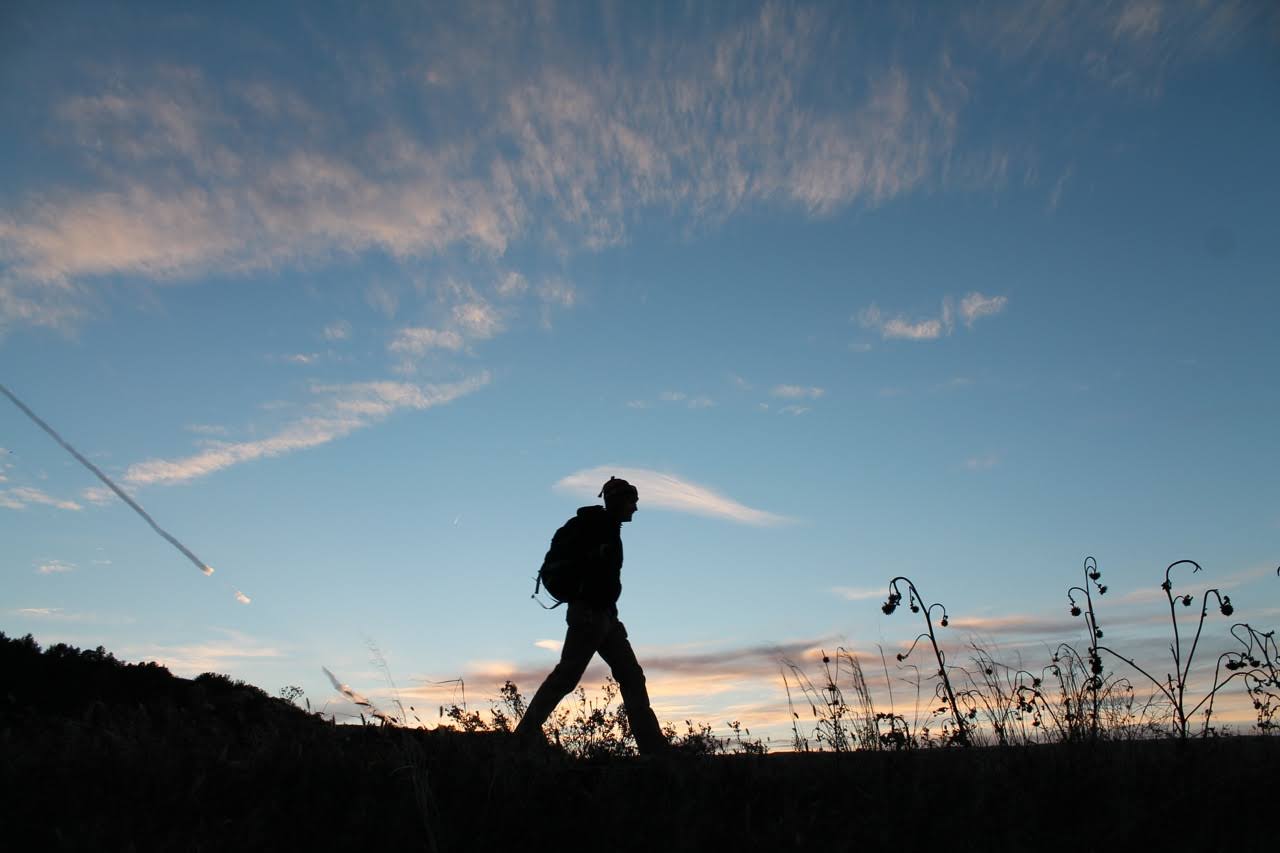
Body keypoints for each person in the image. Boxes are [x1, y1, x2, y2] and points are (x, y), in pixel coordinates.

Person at [515, 476, 667, 754]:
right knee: (568, 676)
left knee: (631, 676)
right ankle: (522, 736)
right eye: (632, 501)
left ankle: (655, 749)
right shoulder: (599, 527)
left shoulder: (606, 528)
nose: (635, 508)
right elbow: (596, 573)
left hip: (605, 617)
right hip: (590, 615)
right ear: (619, 501)